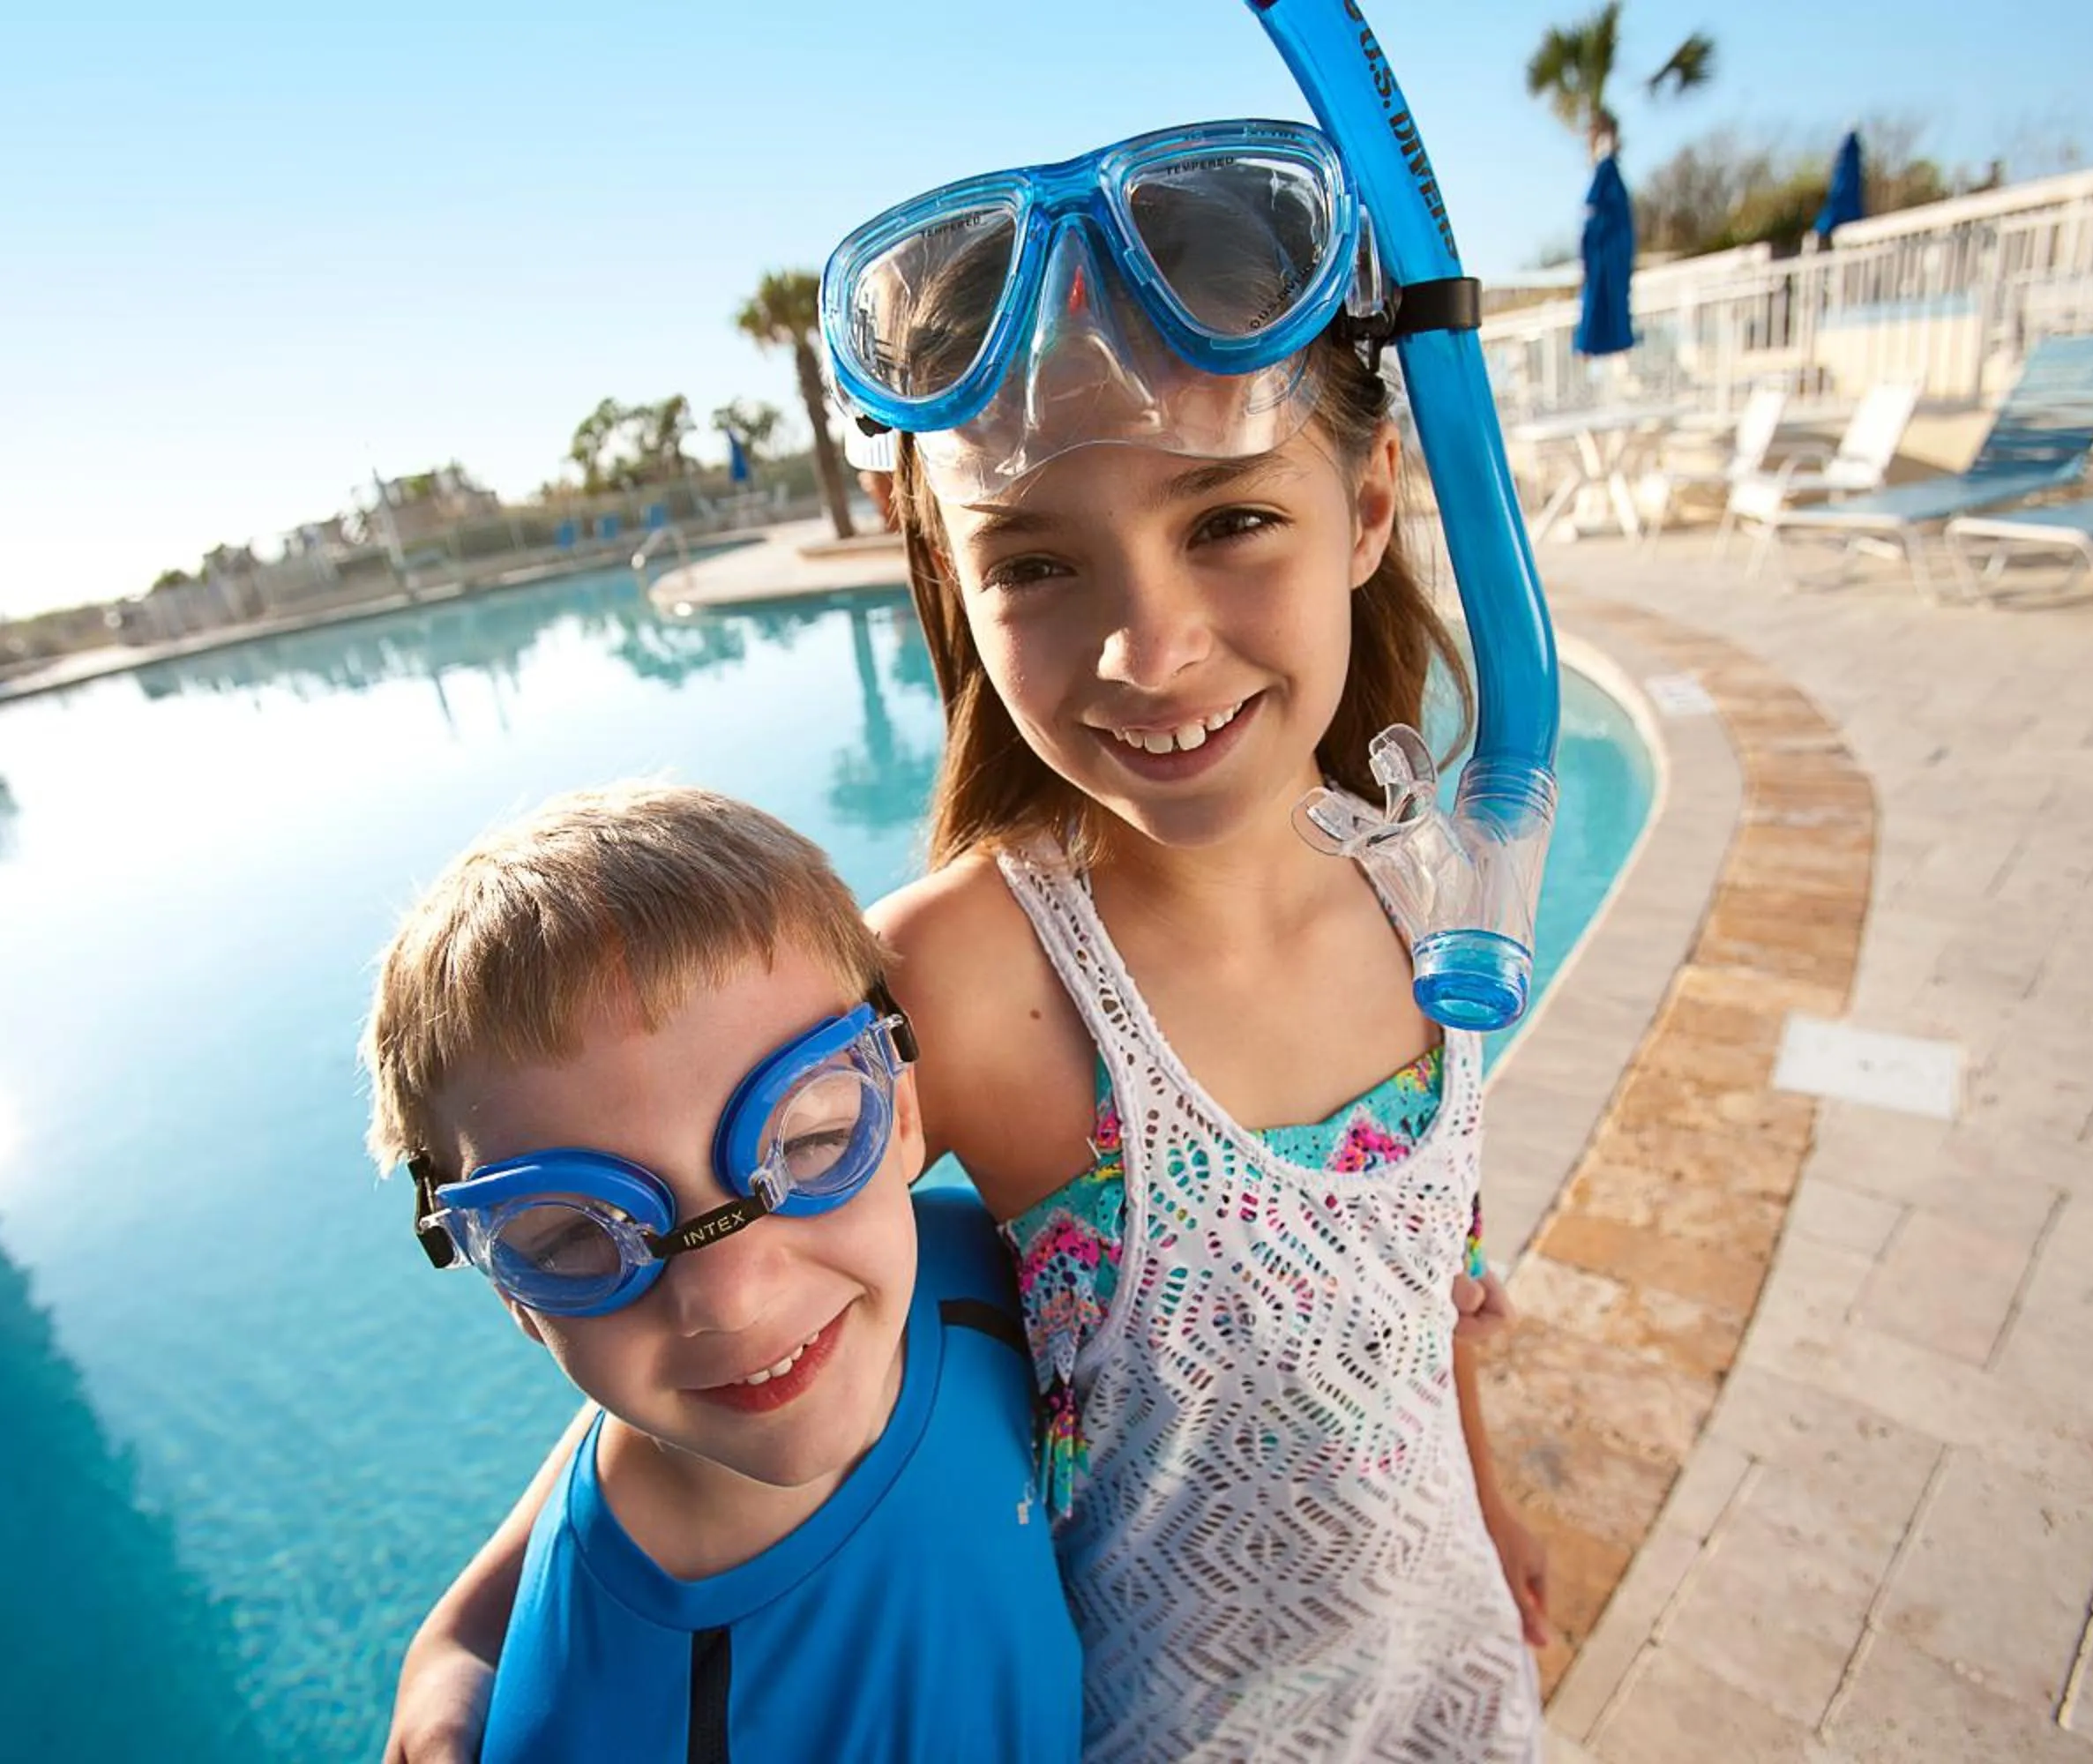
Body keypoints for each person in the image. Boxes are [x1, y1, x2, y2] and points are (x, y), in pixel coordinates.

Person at [385, 117, 1551, 1763]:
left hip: (1451, 1679)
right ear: (957, 578)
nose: (1151, 649)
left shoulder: (1430, 882)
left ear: (1366, 507)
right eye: (1041, 564)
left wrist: (1488, 1515)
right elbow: (718, 1265)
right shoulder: (967, 976)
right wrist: (471, 1629)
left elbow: (1425, 1293)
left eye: (1228, 524)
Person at [366, 782, 1080, 1762]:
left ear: (903, 1112)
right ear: (510, 1286)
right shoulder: (590, 1727)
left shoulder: (968, 1272)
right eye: (580, 1234)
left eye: (814, 1137)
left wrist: (457, 1632)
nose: (732, 1295)